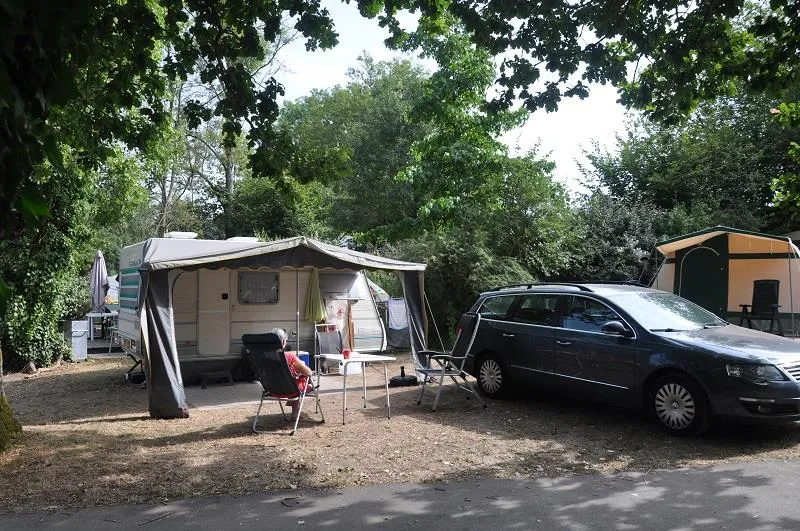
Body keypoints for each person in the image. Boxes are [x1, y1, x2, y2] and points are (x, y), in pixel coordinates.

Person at [271, 328, 314, 421]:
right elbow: (308, 372)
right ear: (283, 342)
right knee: (296, 381)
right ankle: (295, 413)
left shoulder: (266, 358)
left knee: (292, 379)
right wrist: (302, 364)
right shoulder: (289, 357)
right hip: (290, 389)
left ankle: (295, 411)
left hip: (272, 388)